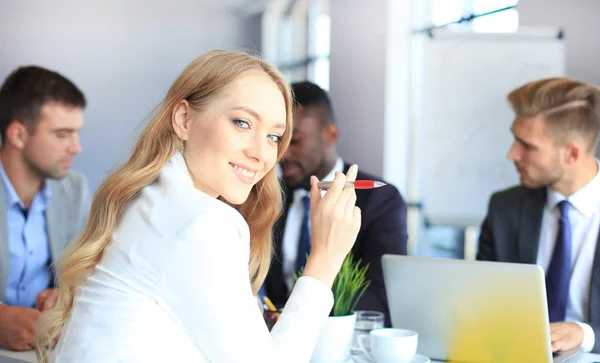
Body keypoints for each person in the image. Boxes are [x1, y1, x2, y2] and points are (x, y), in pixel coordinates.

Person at [35, 50, 362, 362]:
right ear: (183, 119)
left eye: (274, 137)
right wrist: (325, 258)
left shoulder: (154, 198)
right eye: (242, 123)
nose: (261, 154)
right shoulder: (200, 223)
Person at [263, 81, 407, 325]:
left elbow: (382, 295)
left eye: (295, 141)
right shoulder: (271, 194)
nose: (283, 154)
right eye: (278, 140)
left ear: (330, 135)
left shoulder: (380, 200)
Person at [477, 77, 600, 353]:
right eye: (514, 139)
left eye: (527, 145)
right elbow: (483, 304)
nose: (512, 154)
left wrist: (585, 334)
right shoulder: (504, 208)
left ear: (572, 154)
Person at [0, 66, 89, 351]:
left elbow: (90, 268)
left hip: (42, 350)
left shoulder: (74, 190)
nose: (76, 148)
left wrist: (65, 295)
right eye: (62, 134)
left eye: (76, 133)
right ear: (18, 135)